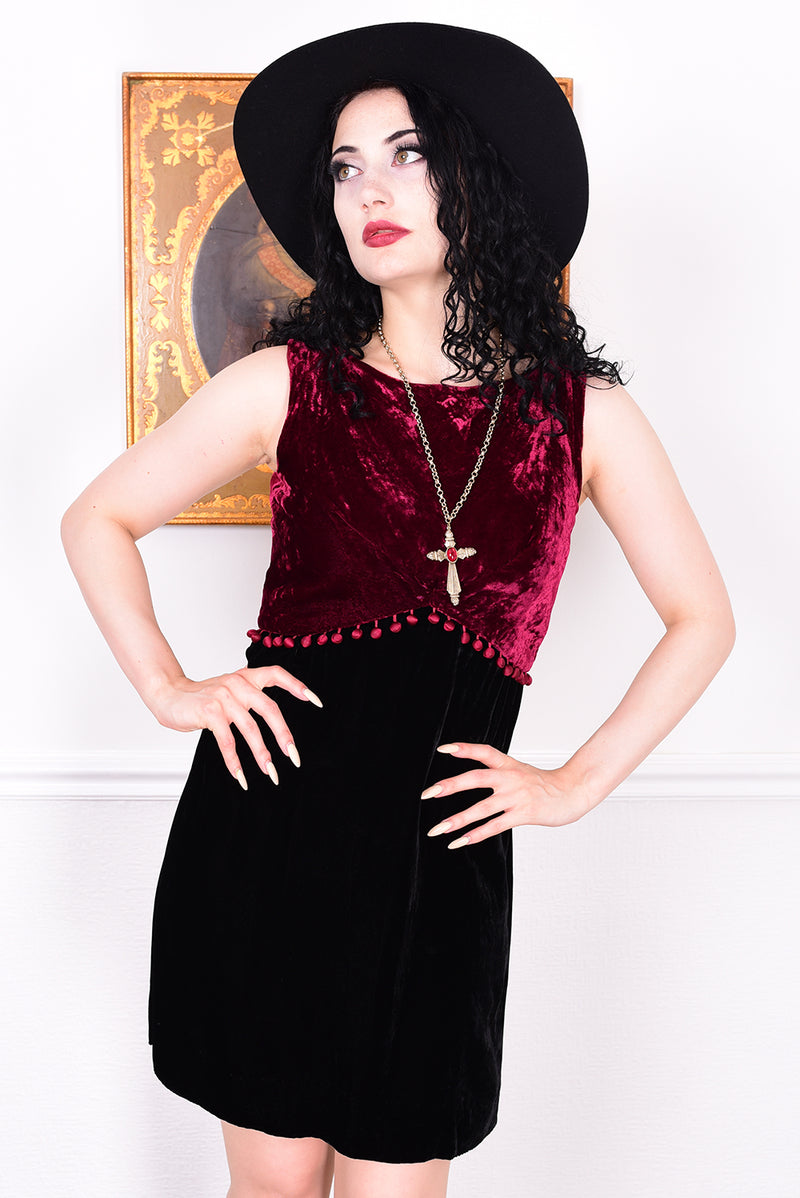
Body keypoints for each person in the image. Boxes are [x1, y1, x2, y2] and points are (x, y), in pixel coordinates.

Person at [61, 22, 735, 1198]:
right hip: (263, 844)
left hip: (439, 874)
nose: (369, 189)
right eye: (343, 165)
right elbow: (94, 519)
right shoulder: (286, 385)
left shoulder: (582, 418)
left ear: (477, 171)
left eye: (406, 154)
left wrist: (572, 782)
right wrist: (172, 686)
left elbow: (702, 619)